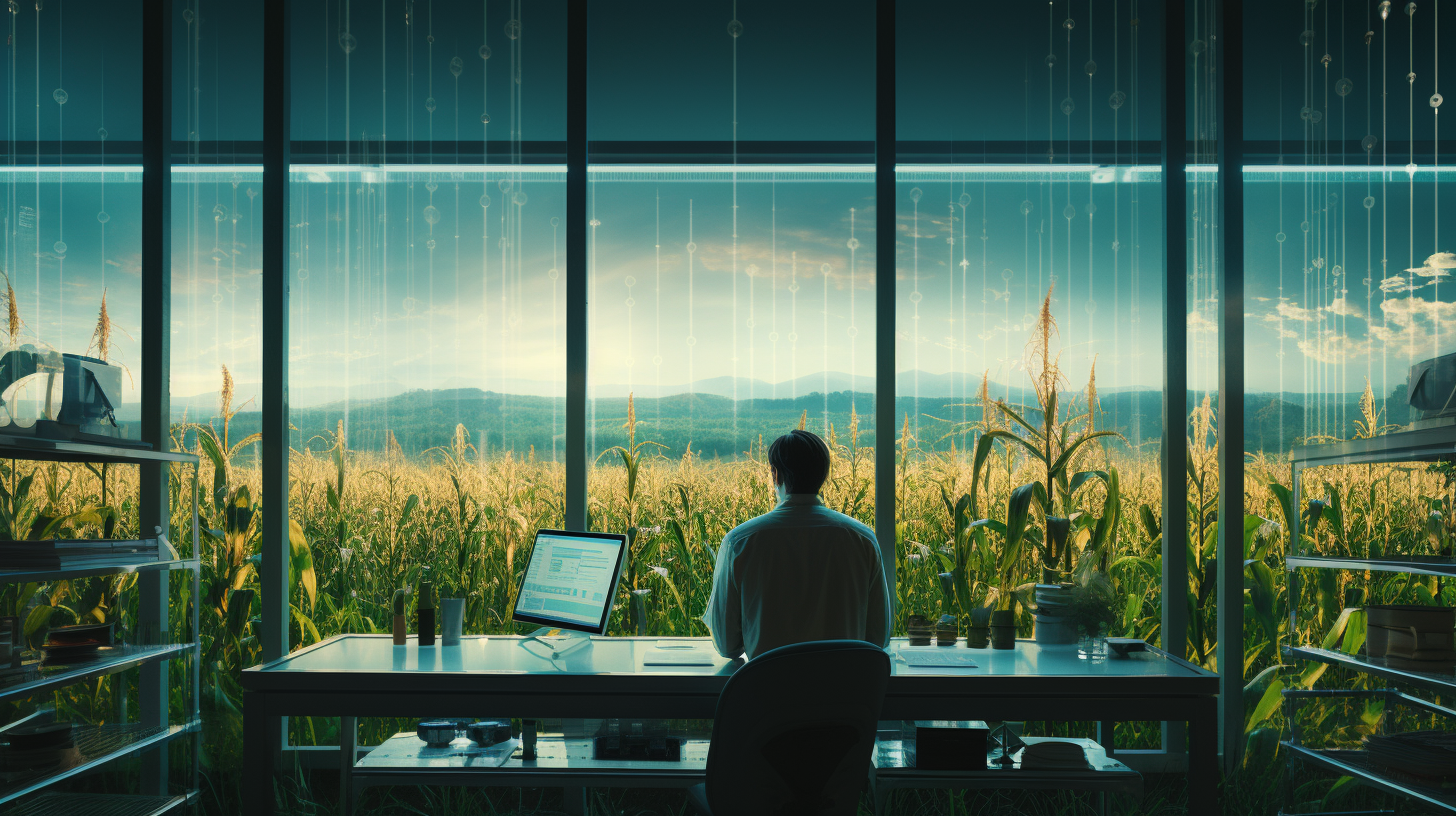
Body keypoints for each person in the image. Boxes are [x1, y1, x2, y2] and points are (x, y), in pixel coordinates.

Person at [702, 429, 891, 660]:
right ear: (824, 474)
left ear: (775, 474)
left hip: (768, 693)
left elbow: (726, 645)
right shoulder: (863, 539)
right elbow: (878, 639)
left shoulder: (740, 542)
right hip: (842, 693)